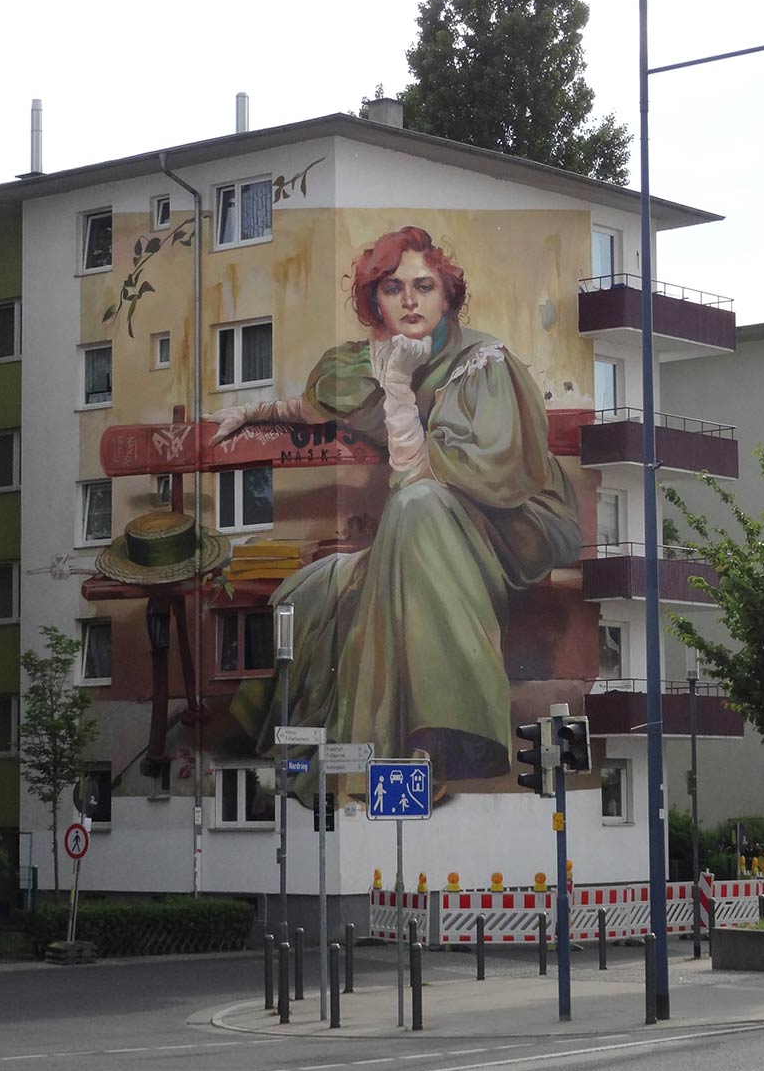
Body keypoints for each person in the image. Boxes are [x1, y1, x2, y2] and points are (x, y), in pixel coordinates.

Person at [208, 227, 581, 782]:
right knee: (318, 585)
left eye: (424, 286)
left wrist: (401, 389)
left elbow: (430, 478)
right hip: (430, 525)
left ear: (447, 296)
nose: (409, 301)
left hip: (510, 524)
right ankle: (318, 735)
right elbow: (313, 407)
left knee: (415, 506)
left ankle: (447, 737)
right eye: (392, 287)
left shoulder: (483, 363)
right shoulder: (375, 362)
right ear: (374, 300)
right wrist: (252, 413)